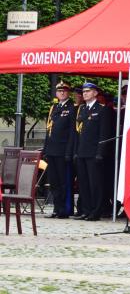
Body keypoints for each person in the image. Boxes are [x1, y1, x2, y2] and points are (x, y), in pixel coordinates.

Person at [73, 82, 113, 222]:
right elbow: (78, 133)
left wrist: (100, 153)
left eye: (88, 91)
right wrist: (76, 151)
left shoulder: (102, 110)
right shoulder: (82, 109)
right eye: (84, 92)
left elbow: (104, 134)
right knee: (83, 184)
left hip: (94, 153)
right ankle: (86, 210)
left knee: (95, 184)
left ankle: (96, 211)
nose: (85, 94)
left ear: (95, 93)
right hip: (82, 152)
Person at [44, 82, 76, 219]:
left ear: (68, 93)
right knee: (54, 182)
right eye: (59, 91)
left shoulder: (72, 108)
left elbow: (72, 133)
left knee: (63, 182)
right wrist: (46, 149)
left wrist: (69, 152)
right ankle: (57, 208)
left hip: (62, 151)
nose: (62, 93)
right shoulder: (54, 107)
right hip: (51, 150)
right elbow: (48, 130)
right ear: (56, 93)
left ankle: (64, 209)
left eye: (64, 91)